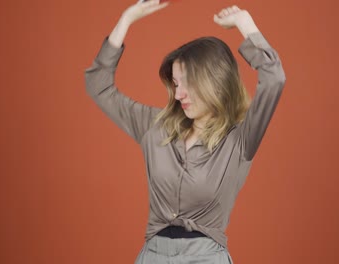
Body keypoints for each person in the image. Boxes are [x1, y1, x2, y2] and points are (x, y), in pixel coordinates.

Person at [85, 0, 286, 263]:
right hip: (152, 256)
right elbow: (98, 85)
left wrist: (244, 22)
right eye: (175, 83)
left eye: (187, 83)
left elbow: (274, 78)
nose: (178, 94)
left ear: (214, 81)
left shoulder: (239, 140)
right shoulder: (155, 127)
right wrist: (126, 19)